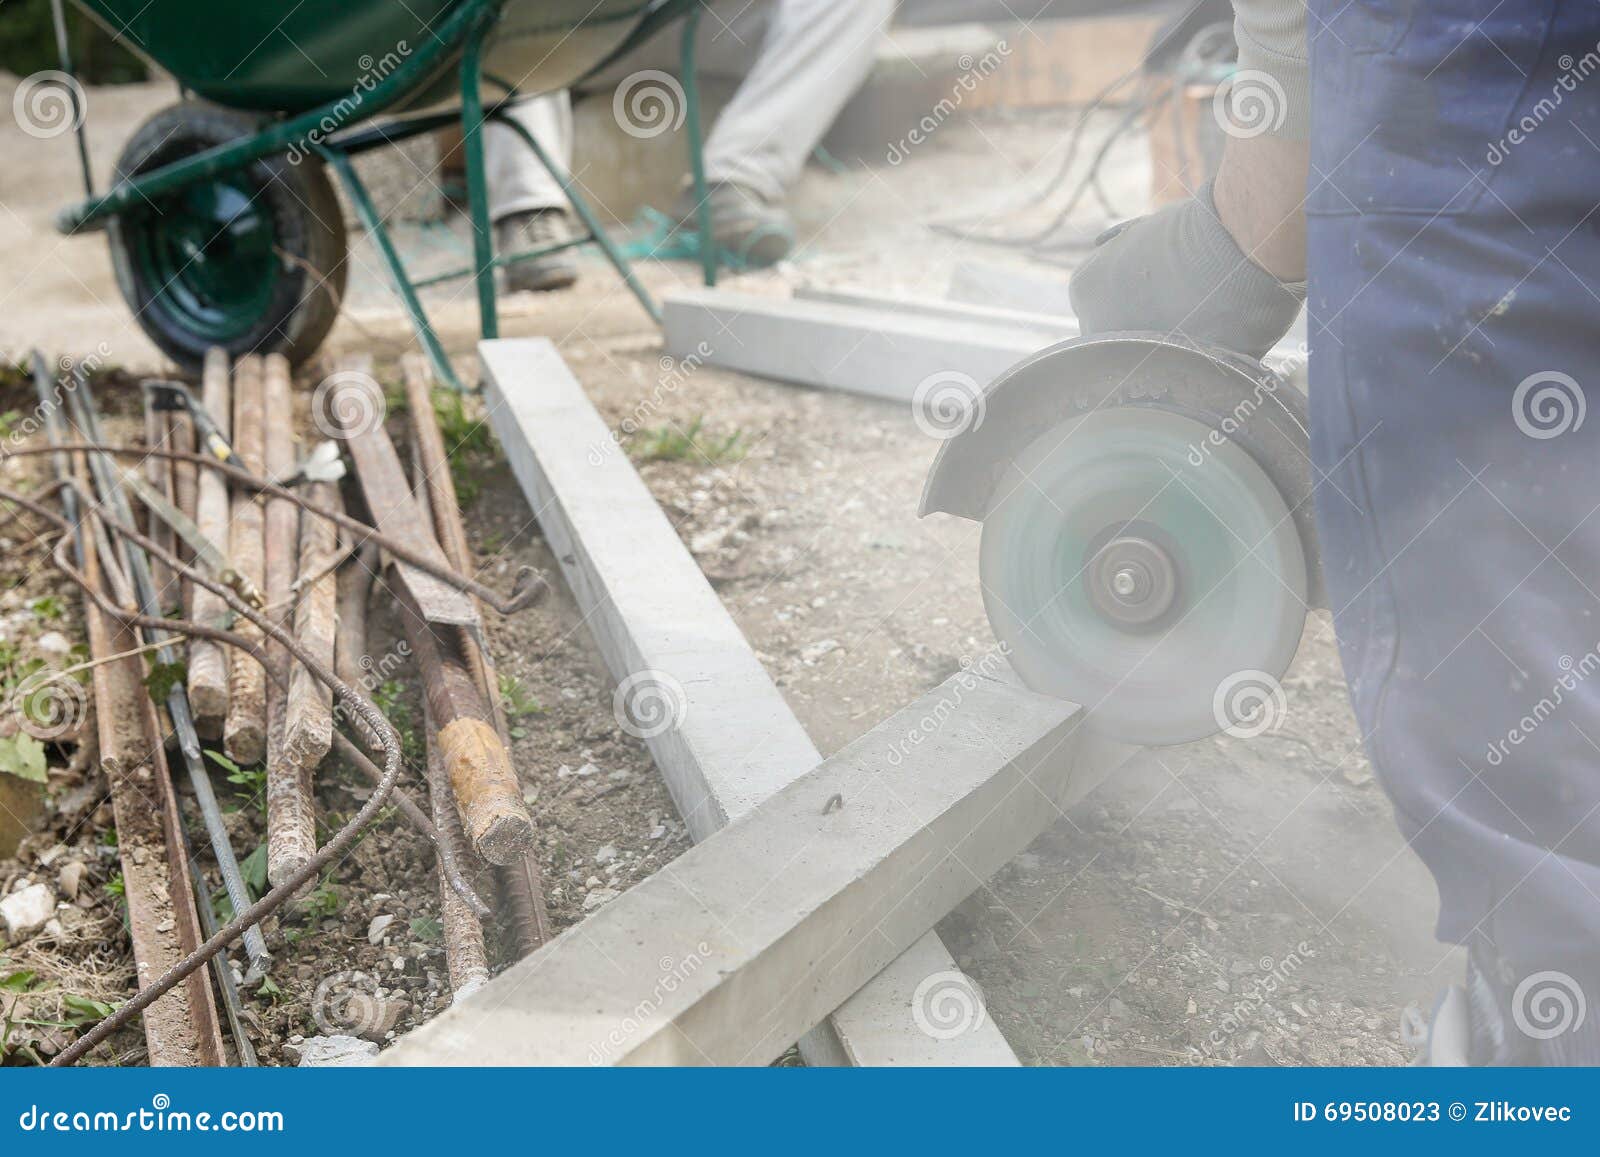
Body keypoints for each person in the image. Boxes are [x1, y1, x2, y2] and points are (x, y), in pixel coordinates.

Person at [1071, 0, 1600, 1065]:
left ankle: (1552, 1047)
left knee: (1506, 662)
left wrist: (1189, 269)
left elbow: (1274, 203)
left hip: (1464, 84)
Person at [486, 0, 895, 293]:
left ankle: (730, 186)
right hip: (571, 27)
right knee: (496, 13)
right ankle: (529, 212)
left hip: (697, 17)